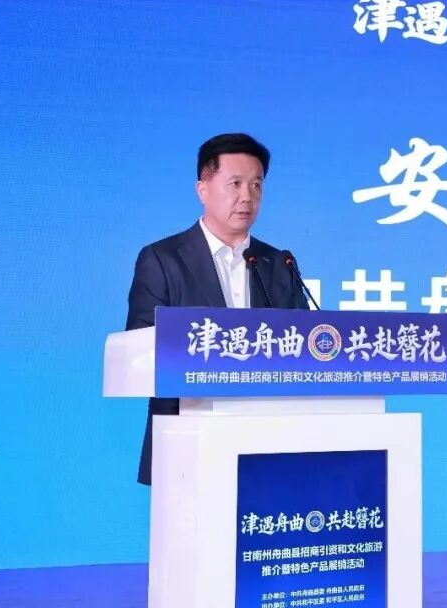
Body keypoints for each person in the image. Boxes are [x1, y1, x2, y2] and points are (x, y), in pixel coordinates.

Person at [125, 133, 309, 485]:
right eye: (235, 183)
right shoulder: (162, 259)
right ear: (203, 189)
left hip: (269, 442)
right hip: (187, 442)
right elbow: (140, 350)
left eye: (257, 185)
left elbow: (304, 347)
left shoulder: (279, 262)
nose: (247, 196)